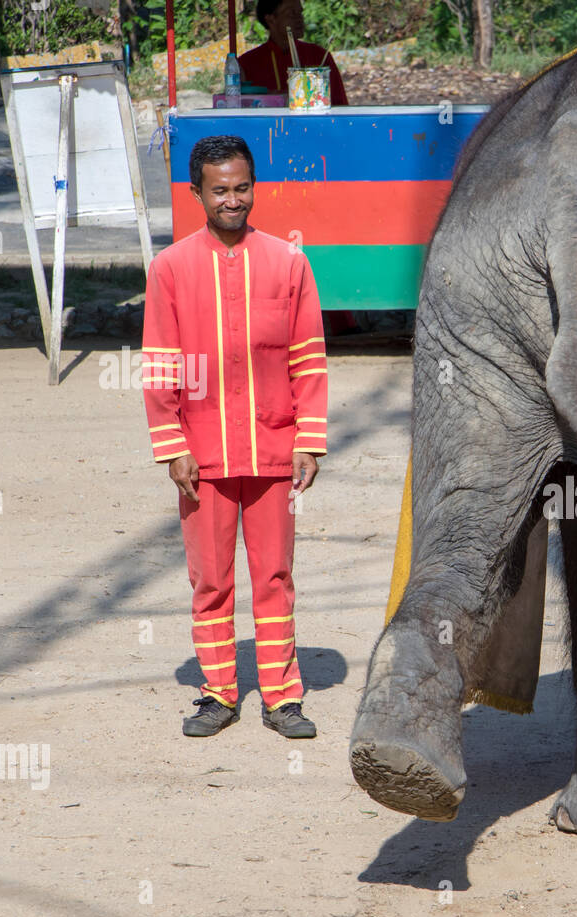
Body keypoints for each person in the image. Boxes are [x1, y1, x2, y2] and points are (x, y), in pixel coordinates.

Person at [141, 134, 328, 739]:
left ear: (254, 187)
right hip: (202, 456)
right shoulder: (169, 269)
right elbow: (161, 363)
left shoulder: (288, 262)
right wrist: (172, 445)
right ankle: (219, 691)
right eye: (219, 190)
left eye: (241, 188)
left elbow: (309, 357)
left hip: (274, 451)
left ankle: (282, 697)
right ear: (196, 192)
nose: (232, 200)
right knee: (211, 579)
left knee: (274, 575)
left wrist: (308, 439)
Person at [239, 0, 349, 105]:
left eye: (300, 12)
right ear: (271, 19)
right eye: (291, 13)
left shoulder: (320, 56)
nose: (299, 19)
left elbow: (340, 105)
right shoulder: (246, 63)